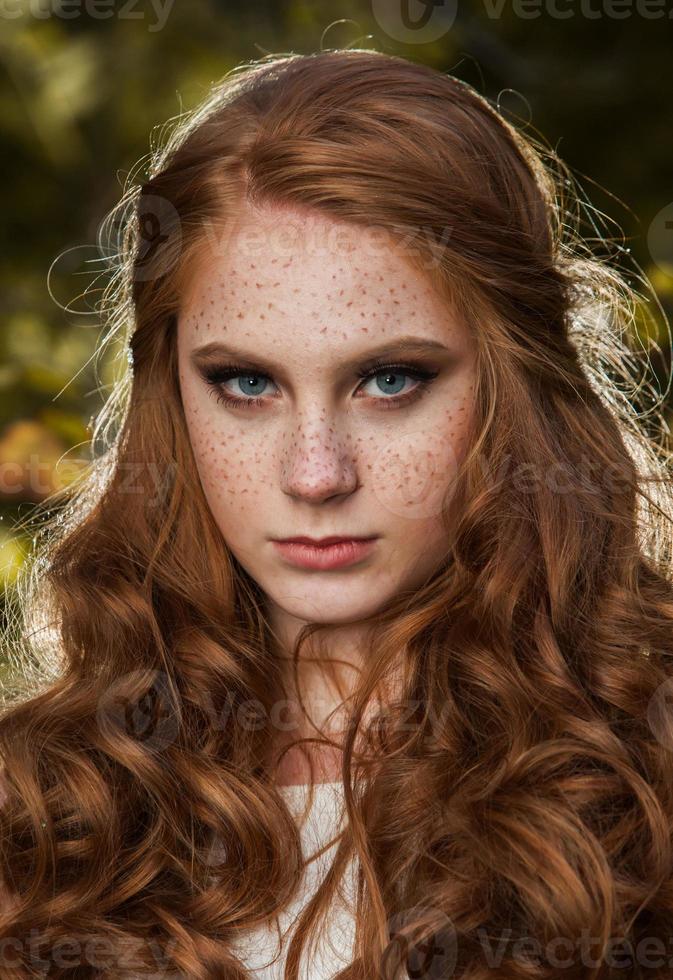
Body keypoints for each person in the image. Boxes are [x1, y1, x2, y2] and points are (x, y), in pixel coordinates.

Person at [1, 47, 672, 979]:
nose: (315, 474)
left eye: (389, 380)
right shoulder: (44, 813)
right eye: (245, 383)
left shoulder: (643, 778)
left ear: (511, 387)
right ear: (171, 396)